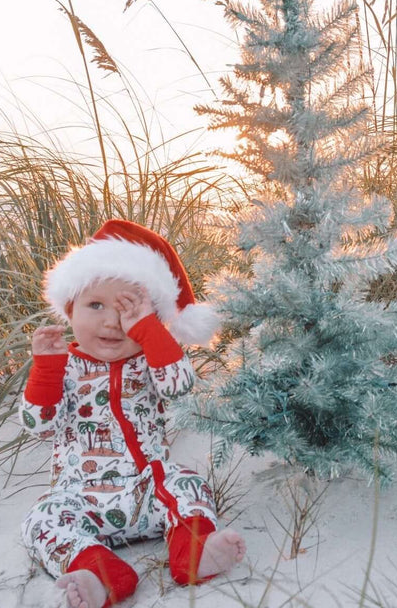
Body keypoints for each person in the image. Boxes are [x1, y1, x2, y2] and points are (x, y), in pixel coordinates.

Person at [19, 219, 246, 608]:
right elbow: (38, 426)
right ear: (69, 310)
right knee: (41, 521)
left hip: (149, 491)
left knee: (188, 485)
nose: (111, 322)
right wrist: (45, 369)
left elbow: (179, 383)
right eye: (95, 305)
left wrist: (148, 333)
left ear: (150, 321)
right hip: (81, 499)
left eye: (128, 311)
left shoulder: (149, 362)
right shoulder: (63, 365)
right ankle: (100, 574)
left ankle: (193, 552)